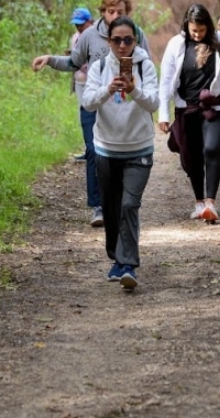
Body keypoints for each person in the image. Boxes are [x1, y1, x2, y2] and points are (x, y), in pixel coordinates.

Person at [32, 0, 149, 228]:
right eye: (111, 12)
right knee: (92, 152)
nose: (116, 16)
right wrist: (50, 59)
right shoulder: (89, 36)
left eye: (121, 12)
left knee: (116, 155)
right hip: (93, 100)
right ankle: (98, 206)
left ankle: (121, 201)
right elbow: (73, 62)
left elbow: (145, 67)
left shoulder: (136, 34)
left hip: (122, 105)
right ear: (103, 12)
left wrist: (142, 96)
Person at [79, 15, 158, 290]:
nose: (122, 45)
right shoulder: (100, 66)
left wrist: (134, 90)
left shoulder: (145, 65)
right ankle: (116, 257)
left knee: (129, 205)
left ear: (135, 40)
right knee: (111, 210)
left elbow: (154, 102)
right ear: (109, 41)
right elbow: (87, 103)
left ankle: (129, 265)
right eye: (117, 40)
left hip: (139, 148)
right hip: (106, 148)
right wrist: (107, 89)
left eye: (128, 40)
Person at [158, 4, 220, 224]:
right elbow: (165, 82)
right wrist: (163, 114)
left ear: (208, 26)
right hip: (187, 109)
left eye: (201, 30)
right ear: (186, 26)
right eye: (194, 30)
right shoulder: (176, 44)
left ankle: (210, 202)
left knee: (212, 148)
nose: (197, 34)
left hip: (215, 107)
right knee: (192, 157)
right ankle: (199, 201)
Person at [69, 7, 94, 161]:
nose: (79, 27)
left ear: (89, 21)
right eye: (77, 25)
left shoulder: (95, 37)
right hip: (80, 81)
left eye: (81, 24)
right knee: (84, 115)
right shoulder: (75, 38)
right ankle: (88, 149)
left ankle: (95, 149)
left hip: (92, 81)